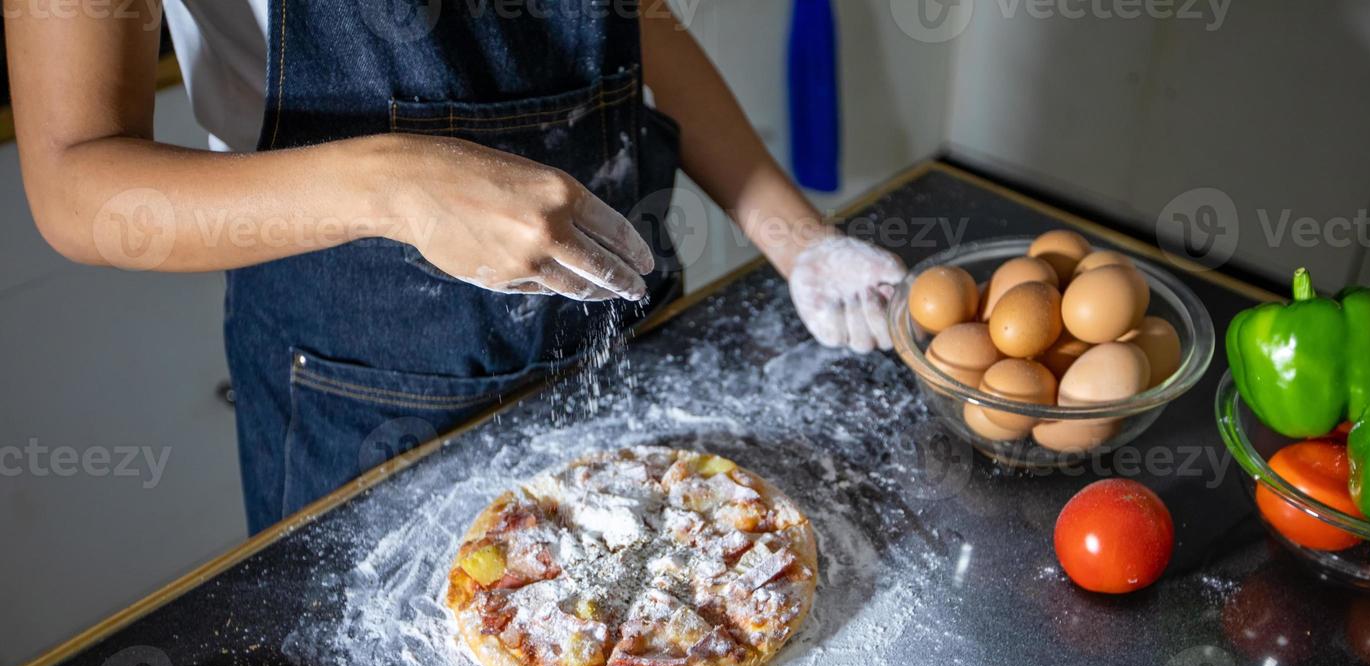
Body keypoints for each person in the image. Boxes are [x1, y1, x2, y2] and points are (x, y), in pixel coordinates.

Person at [7, 0, 906, 533]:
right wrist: (396, 181)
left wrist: (800, 241)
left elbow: (642, 24)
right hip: (358, 390)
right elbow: (76, 179)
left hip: (622, 336)